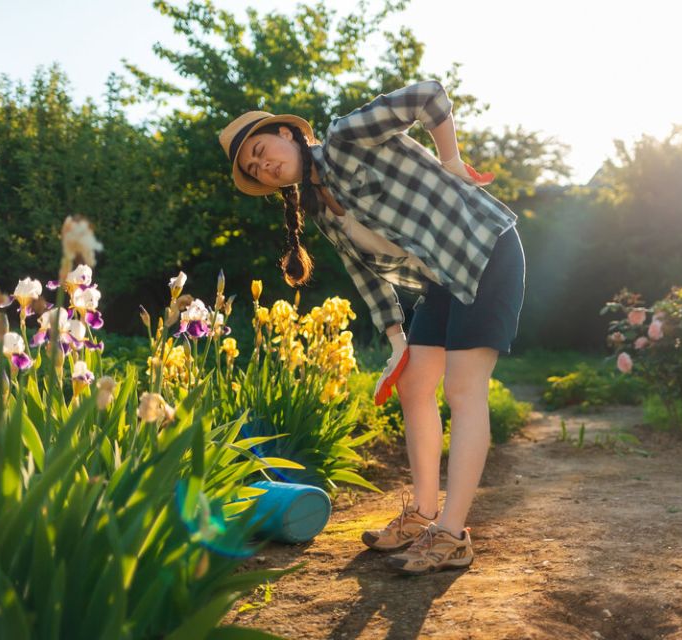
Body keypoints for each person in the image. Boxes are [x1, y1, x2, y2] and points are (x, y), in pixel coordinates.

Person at [218, 80, 526, 575]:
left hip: (483, 248)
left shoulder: (345, 137)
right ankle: (423, 514)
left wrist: (450, 162)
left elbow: (429, 95)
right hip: (441, 279)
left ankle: (451, 535)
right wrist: (395, 343)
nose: (265, 166)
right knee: (411, 384)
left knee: (463, 390)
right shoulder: (319, 207)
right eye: (255, 169)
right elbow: (367, 274)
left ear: (284, 132)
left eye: (261, 151)